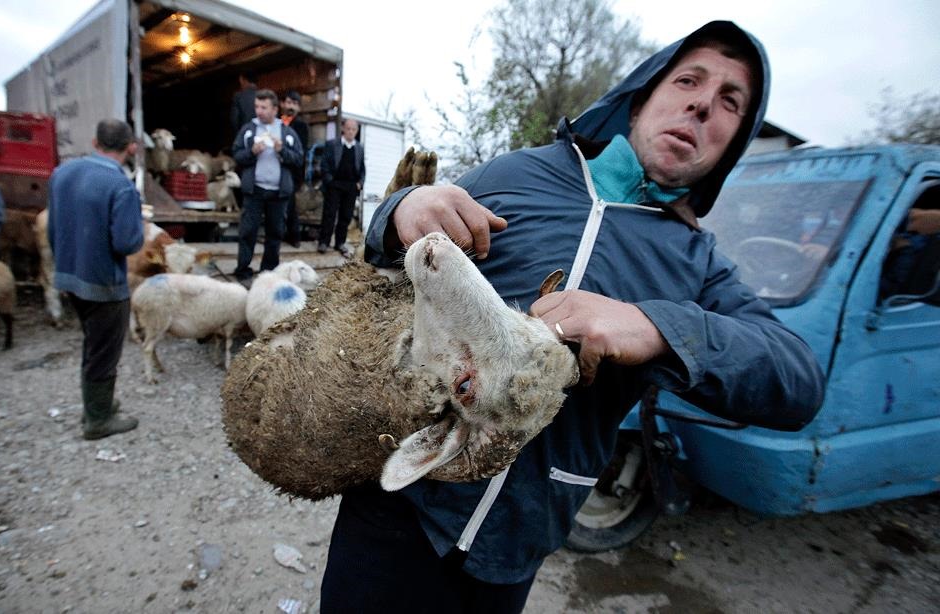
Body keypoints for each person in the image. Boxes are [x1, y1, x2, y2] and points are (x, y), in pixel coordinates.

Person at [321, 21, 826, 612]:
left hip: (515, 541)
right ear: (642, 96)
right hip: (399, 499)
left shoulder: (698, 262)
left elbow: (799, 381)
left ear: (733, 142)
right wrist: (405, 207)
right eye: (688, 80)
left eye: (729, 102)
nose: (701, 104)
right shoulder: (516, 174)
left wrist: (658, 327)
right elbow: (380, 250)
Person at [47, 119, 144, 440]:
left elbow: (52, 229)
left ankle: (97, 404)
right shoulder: (120, 186)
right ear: (131, 146)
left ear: (94, 141)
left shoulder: (62, 174)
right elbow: (126, 243)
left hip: (69, 275)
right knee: (104, 350)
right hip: (103, 283)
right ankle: (98, 420)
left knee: (92, 342)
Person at [230, 89, 304, 284]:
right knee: (248, 232)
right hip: (254, 190)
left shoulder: (287, 132)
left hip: (278, 193)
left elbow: (299, 159)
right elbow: (236, 155)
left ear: (274, 109)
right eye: (257, 106)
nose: (259, 111)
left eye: (263, 107)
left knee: (275, 234)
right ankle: (243, 270)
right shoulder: (248, 129)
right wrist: (252, 152)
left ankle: (268, 272)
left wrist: (282, 150)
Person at [318, 117, 365, 256]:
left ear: (356, 131)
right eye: (348, 128)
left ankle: (340, 243)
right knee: (329, 214)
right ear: (343, 129)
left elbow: (362, 169)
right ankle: (324, 242)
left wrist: (360, 184)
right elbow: (324, 164)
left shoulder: (359, 148)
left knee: (346, 216)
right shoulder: (332, 144)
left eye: (353, 129)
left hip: (351, 187)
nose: (351, 132)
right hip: (334, 185)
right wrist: (329, 181)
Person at [280, 90, 310, 247]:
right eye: (289, 102)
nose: (291, 106)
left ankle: (294, 236)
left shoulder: (300, 126)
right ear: (283, 104)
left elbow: (301, 152)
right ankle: (281, 233)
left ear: (299, 108)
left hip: (293, 171)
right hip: (277, 169)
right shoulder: (278, 123)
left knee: (290, 204)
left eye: (295, 104)